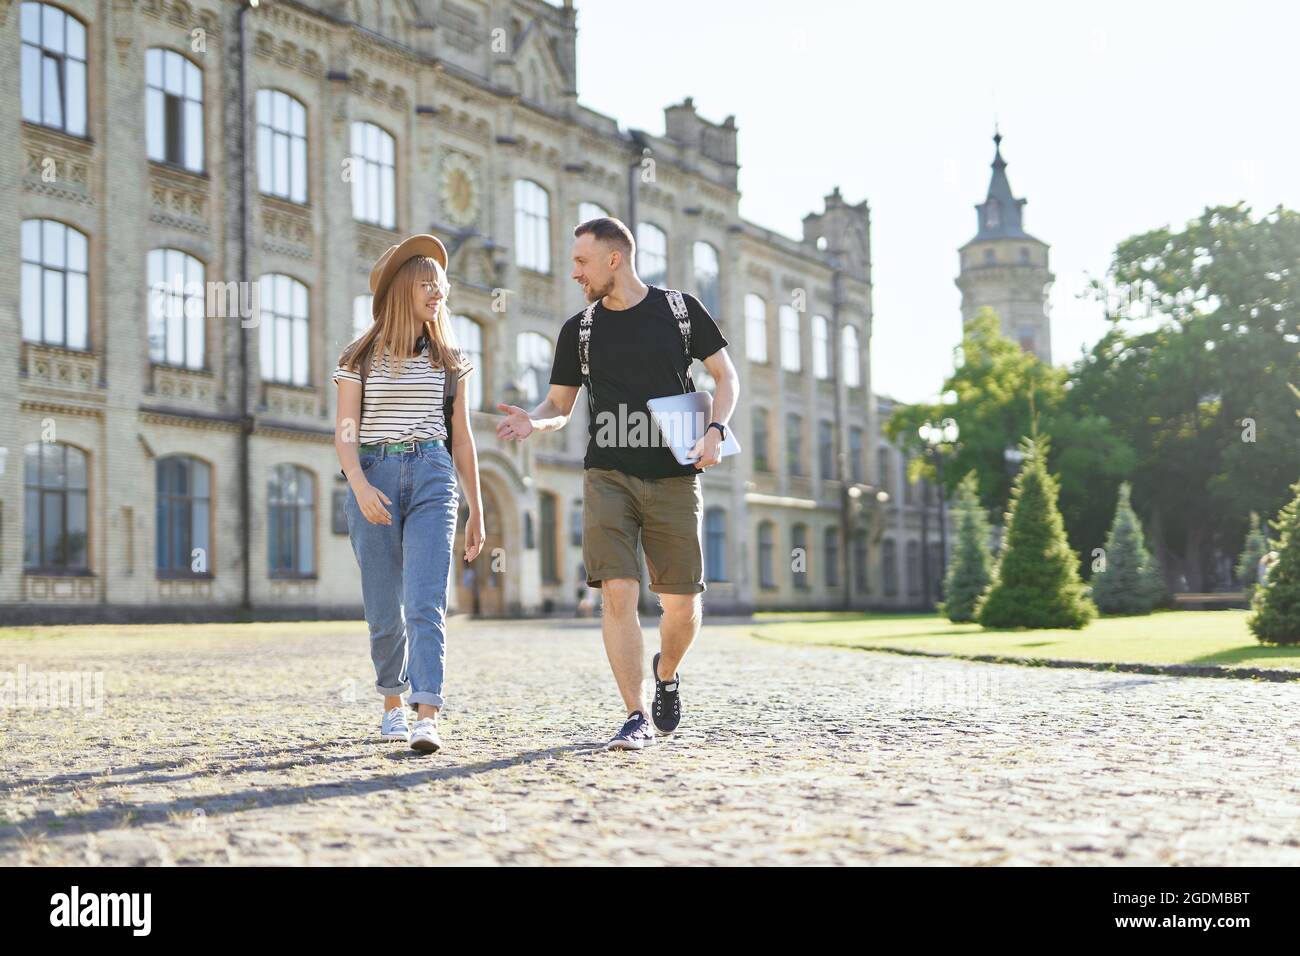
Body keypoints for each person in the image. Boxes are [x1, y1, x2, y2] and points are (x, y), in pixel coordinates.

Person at [495, 217, 740, 749]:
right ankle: (634, 715)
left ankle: (667, 673)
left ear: (614, 259)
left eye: (581, 261)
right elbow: (559, 405)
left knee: (681, 605)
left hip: (676, 475)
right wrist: (533, 421)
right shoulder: (578, 331)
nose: (574, 272)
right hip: (607, 474)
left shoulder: (679, 311)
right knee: (618, 592)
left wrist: (717, 429)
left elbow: (726, 375)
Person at [333, 235, 486, 753]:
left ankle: (428, 714)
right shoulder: (359, 357)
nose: (438, 295)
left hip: (432, 474)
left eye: (441, 288)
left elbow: (461, 438)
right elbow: (346, 432)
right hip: (373, 472)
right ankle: (392, 705)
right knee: (383, 609)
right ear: (402, 289)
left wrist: (477, 510)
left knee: (425, 601)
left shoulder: (450, 359)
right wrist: (358, 484)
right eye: (428, 285)